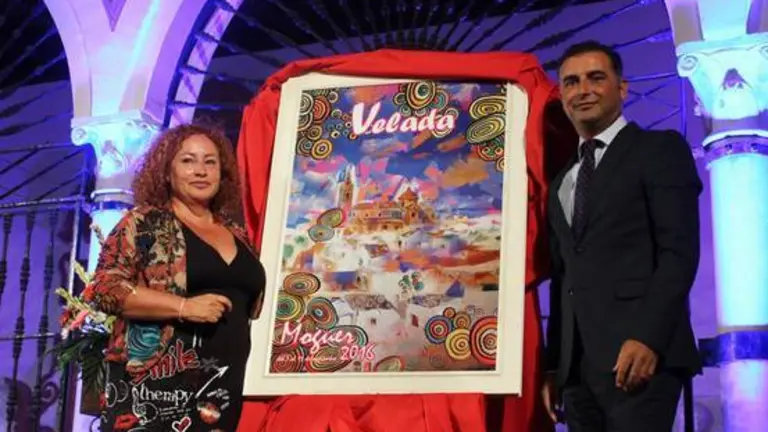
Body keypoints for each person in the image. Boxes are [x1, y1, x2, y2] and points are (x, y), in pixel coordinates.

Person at [541, 40, 703, 431]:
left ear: (622, 88)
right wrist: (554, 366)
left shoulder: (659, 149)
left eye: (596, 78)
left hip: (641, 357)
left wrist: (648, 338)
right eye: (571, 82)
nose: (583, 90)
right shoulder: (562, 180)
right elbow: (565, 279)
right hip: (577, 371)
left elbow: (679, 253)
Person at [84, 124, 266, 431]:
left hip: (224, 386)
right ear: (167, 172)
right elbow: (104, 288)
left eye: (210, 162)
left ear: (222, 174)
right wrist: (184, 307)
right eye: (188, 161)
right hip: (160, 386)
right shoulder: (144, 224)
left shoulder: (237, 234)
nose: (201, 171)